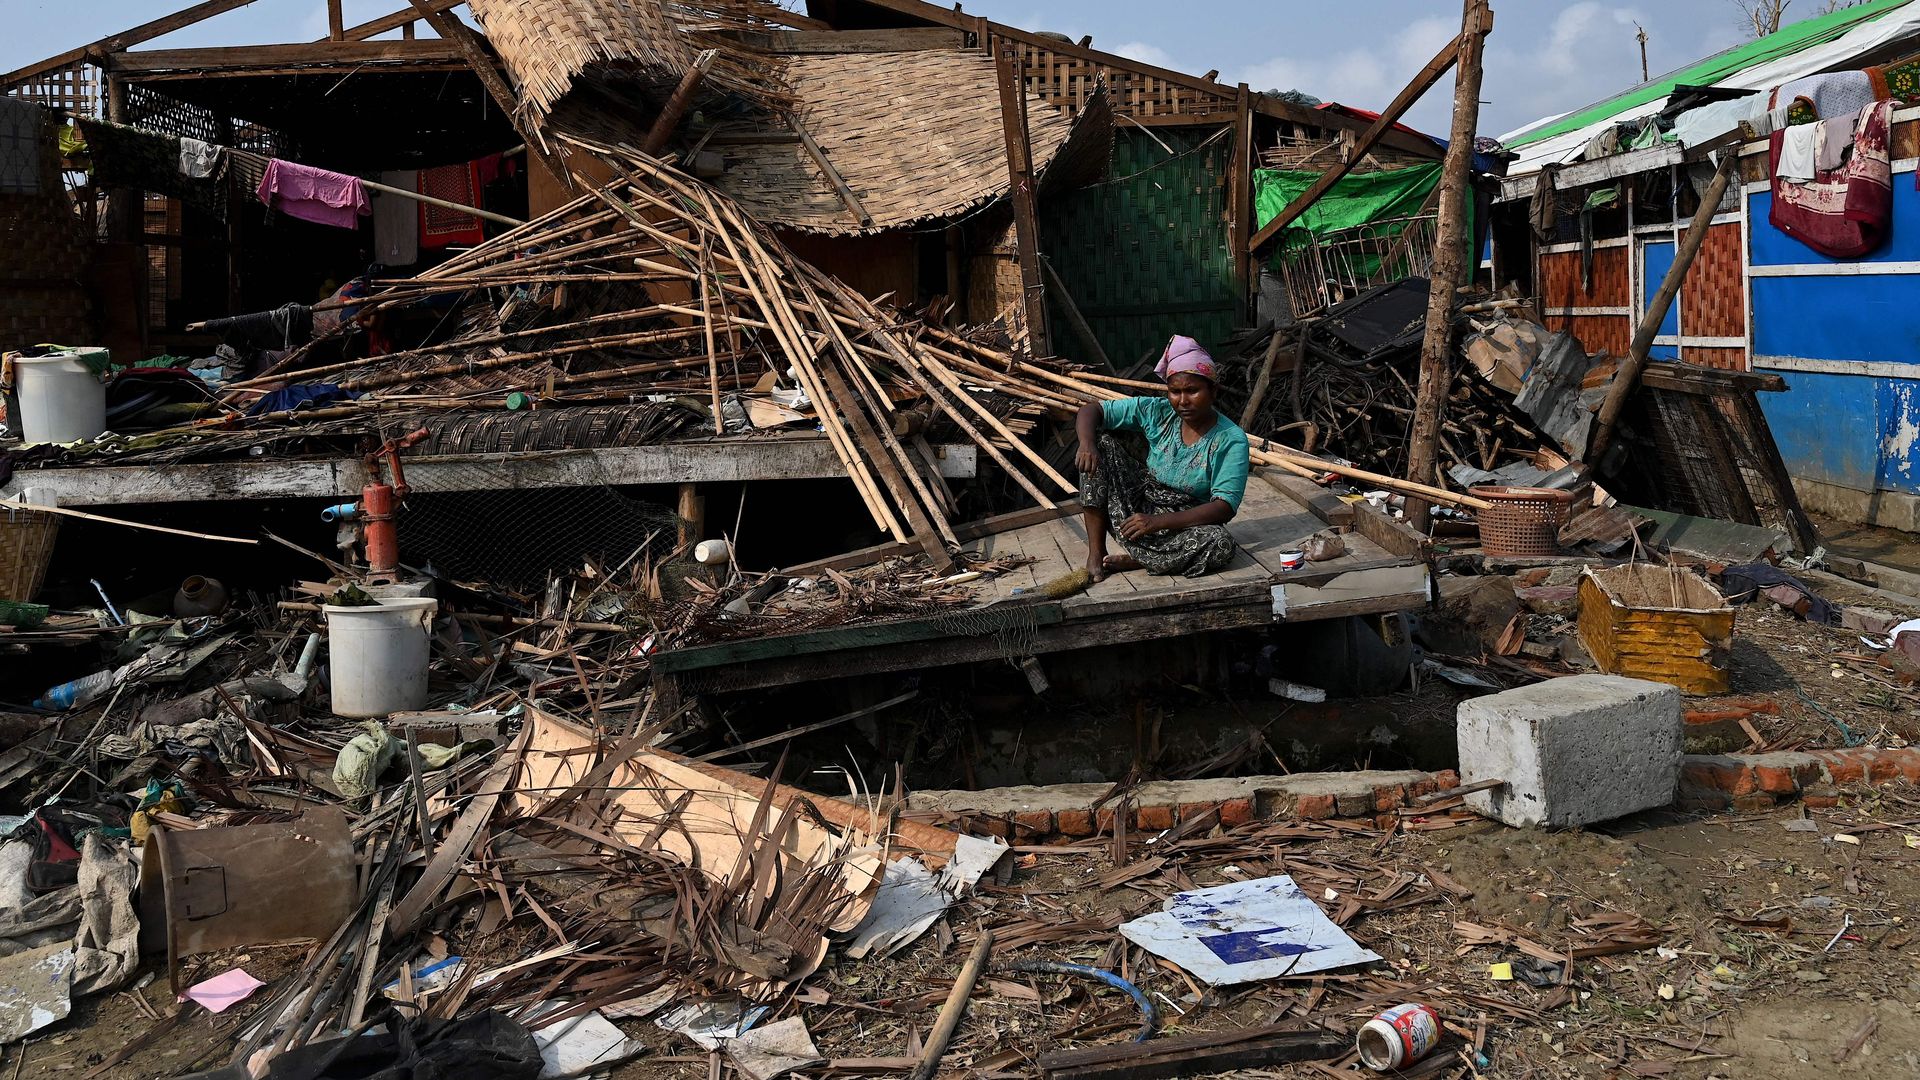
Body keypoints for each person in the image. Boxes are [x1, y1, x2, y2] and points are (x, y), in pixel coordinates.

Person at [1075, 335, 1250, 581]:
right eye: (1175, 391)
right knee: (1099, 446)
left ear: (1213, 391)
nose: (1182, 401)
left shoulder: (1230, 438)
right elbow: (1091, 410)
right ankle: (1096, 552)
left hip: (1184, 522)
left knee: (1220, 544)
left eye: (1192, 391)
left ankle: (1141, 558)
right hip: (1139, 508)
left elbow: (1223, 508)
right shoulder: (1157, 411)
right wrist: (1086, 444)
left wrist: (1157, 522)